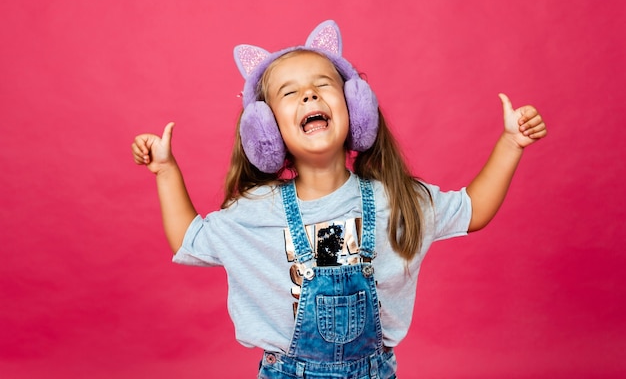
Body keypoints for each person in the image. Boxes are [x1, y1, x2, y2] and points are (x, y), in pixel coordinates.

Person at [131, 20, 547, 378]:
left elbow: (472, 211)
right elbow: (189, 238)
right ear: (266, 130)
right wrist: (167, 171)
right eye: (290, 93)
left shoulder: (394, 199)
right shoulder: (258, 210)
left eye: (322, 85)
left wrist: (512, 143)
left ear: (355, 108)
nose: (310, 96)